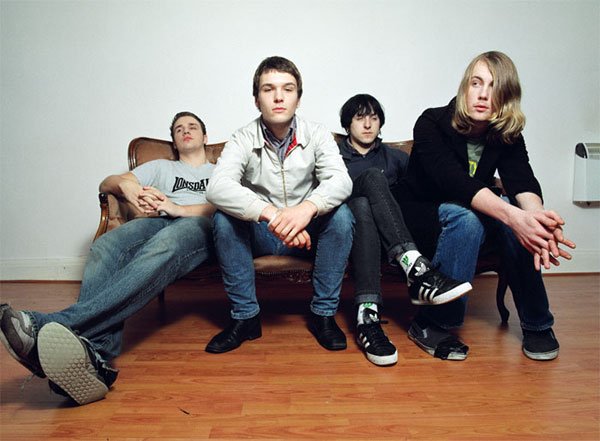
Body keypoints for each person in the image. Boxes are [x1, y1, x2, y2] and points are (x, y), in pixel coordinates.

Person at [0, 111, 216, 405]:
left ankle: (45, 325)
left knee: (165, 243)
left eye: (192, 127)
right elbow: (107, 183)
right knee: (106, 245)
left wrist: (179, 209)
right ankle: (94, 357)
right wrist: (126, 186)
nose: (185, 131)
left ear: (205, 137)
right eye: (179, 129)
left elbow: (232, 206)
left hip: (197, 224)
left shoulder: (219, 170)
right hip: (157, 220)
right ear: (174, 141)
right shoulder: (160, 167)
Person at [394, 51, 576, 361]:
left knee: (517, 219)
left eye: (494, 86)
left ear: (506, 96)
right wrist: (514, 217)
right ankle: (433, 323)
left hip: (469, 216)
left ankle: (537, 323)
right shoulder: (431, 122)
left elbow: (522, 180)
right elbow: (454, 182)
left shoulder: (505, 134)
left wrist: (537, 220)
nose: (482, 94)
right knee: (476, 217)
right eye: (476, 83)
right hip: (421, 216)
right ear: (465, 86)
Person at [205, 56, 354, 354]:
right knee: (223, 220)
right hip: (262, 231)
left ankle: (323, 314)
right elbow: (217, 186)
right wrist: (273, 215)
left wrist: (305, 210)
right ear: (256, 100)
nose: (278, 97)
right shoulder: (242, 137)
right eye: (268, 89)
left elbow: (341, 181)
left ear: (298, 98)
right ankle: (245, 318)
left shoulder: (317, 133)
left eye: (287, 89)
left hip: (306, 234)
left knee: (342, 216)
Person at [338, 94, 472, 366]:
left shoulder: (396, 158)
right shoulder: (333, 157)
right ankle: (416, 268)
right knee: (364, 195)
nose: (368, 124)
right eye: (360, 118)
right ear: (347, 124)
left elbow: (418, 197)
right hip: (351, 233)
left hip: (389, 237)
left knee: (369, 201)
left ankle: (367, 316)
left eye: (374, 118)